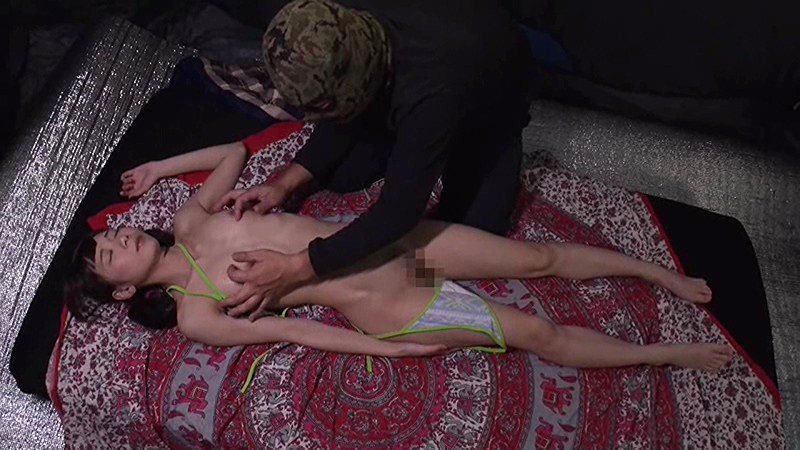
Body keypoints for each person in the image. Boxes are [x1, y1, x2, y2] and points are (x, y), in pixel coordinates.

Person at [66, 141, 734, 384]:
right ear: (122, 292)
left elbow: (235, 153)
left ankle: (654, 273)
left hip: (388, 245)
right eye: (110, 255)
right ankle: (663, 354)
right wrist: (385, 351)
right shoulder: (196, 314)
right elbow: (296, 331)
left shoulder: (191, 220)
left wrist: (160, 167)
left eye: (115, 233)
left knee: (537, 258)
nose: (121, 239)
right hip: (387, 301)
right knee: (538, 333)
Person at [215, 0, 538, 316]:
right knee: (344, 175)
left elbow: (398, 213)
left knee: (470, 238)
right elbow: (338, 106)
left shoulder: (429, 91)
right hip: (408, 62)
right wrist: (285, 183)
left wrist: (298, 267)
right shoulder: (332, 21)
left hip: (490, 93)